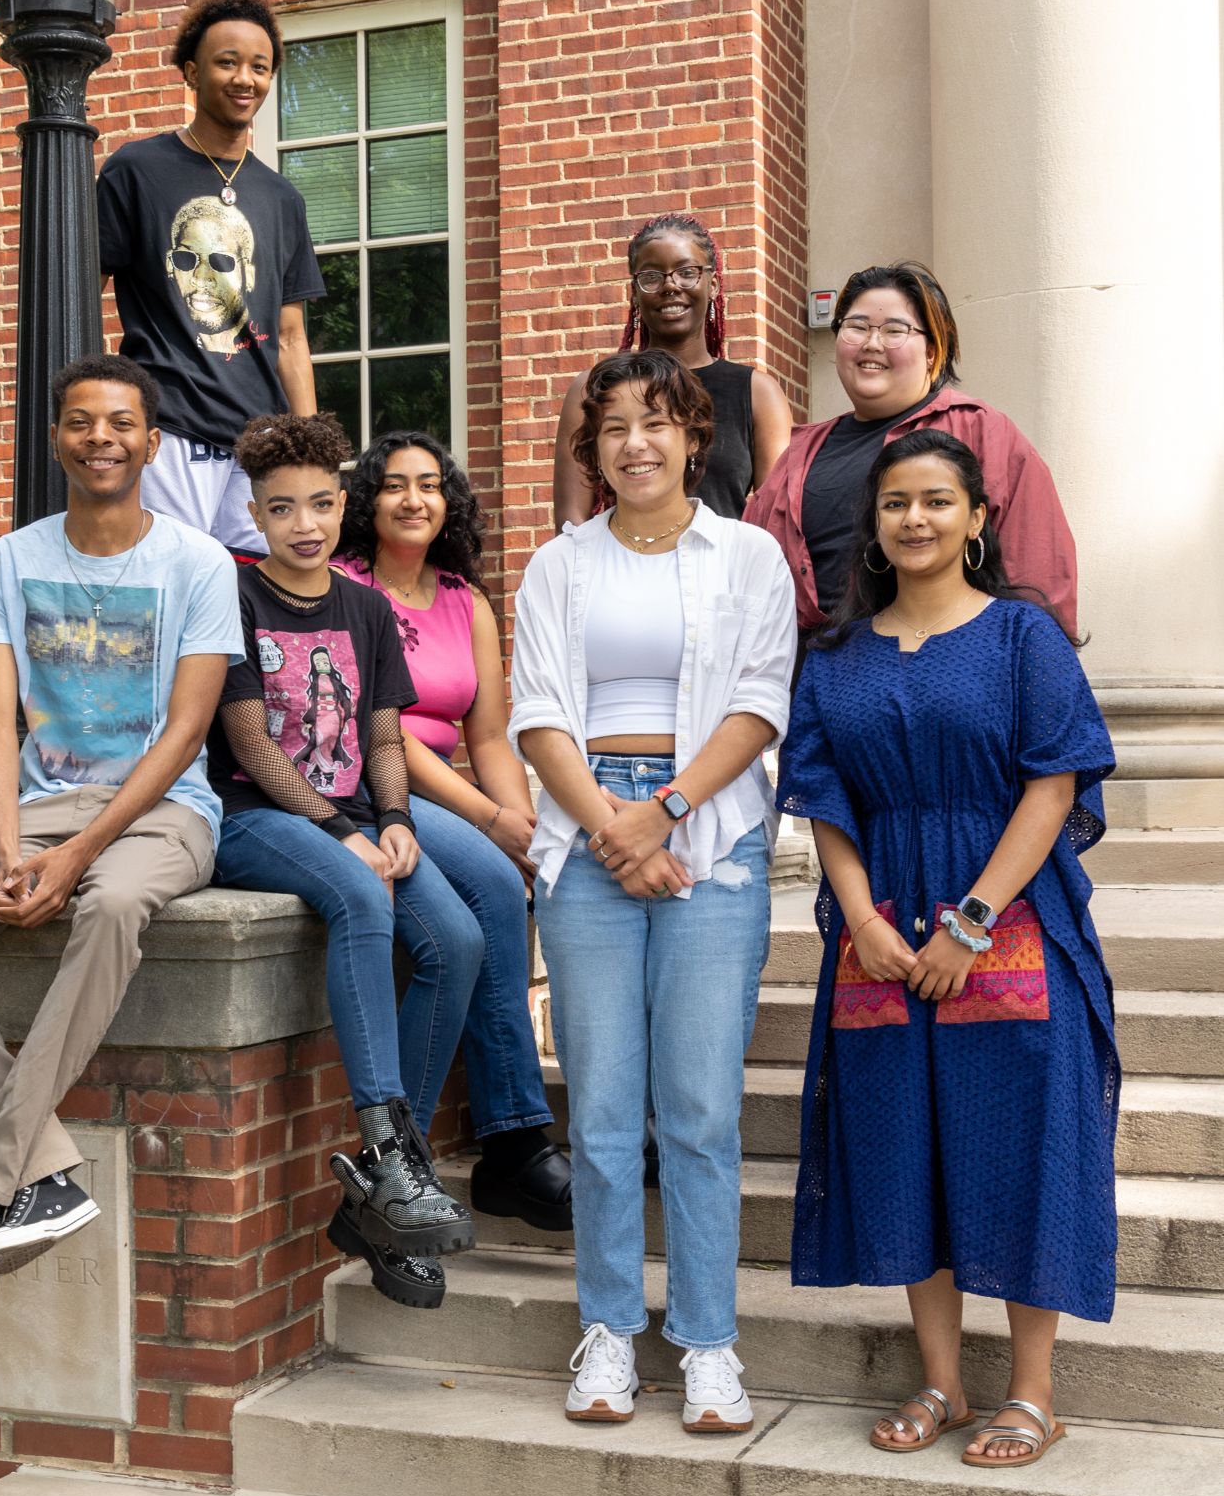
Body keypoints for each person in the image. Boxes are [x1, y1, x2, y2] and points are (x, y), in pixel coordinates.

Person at [777, 428, 1117, 1468]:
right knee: (904, 1147)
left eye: (935, 500)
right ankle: (940, 1378)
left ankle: (1031, 1392)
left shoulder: (1024, 637)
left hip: (1008, 920)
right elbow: (825, 801)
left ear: (976, 517)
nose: (913, 519)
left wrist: (969, 922)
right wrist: (865, 925)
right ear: (872, 526)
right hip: (878, 938)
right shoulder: (835, 658)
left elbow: (1052, 785)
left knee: (1017, 1147)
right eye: (894, 504)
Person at [0, 356, 242, 1316]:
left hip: (163, 810)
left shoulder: (198, 564)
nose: (101, 439)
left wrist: (75, 859)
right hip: (32, 806)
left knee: (114, 902)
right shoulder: (7, 561)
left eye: (120, 424)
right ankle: (41, 1172)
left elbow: (185, 732)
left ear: (150, 443)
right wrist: (8, 850)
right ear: (57, 440)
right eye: (81, 422)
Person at [512, 350, 796, 1433]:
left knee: (700, 1109)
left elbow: (760, 702)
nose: (634, 441)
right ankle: (607, 1331)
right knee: (597, 1115)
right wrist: (610, 827)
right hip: (586, 839)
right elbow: (538, 709)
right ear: (595, 448)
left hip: (708, 839)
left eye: (656, 421)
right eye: (614, 425)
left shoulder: (748, 556)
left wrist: (661, 813)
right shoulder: (559, 564)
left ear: (694, 437)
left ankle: (709, 1343)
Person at [208, 411, 481, 1312]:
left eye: (321, 504)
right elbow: (249, 742)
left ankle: (375, 1184)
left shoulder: (364, 607)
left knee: (457, 941)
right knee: (364, 901)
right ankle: (396, 1156)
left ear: (340, 505)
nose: (304, 524)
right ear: (254, 512)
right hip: (255, 820)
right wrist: (342, 831)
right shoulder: (234, 598)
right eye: (282, 508)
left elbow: (383, 735)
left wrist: (396, 816)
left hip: (358, 815)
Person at [338, 430, 572, 1232]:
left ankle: (499, 1142)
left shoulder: (464, 601)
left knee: (506, 882)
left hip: (443, 793)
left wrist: (524, 825)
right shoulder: (345, 587)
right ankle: (512, 1139)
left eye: (430, 485)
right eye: (395, 484)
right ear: (367, 501)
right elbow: (386, 731)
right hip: (370, 785)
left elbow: (489, 737)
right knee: (493, 891)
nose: (414, 499)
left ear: (449, 501)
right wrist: (488, 819)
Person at [97, 0, 324, 556]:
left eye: (260, 66)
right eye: (227, 62)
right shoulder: (137, 171)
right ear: (192, 71)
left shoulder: (281, 198)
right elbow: (81, 294)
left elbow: (291, 338)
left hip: (263, 440)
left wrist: (311, 448)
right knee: (174, 585)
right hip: (173, 429)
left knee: (269, 595)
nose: (244, 78)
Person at [745, 261, 1078, 643]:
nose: (872, 343)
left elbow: (1038, 571)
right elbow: (750, 574)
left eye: (894, 330)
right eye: (856, 327)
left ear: (933, 352)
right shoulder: (799, 454)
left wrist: (1031, 666)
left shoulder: (980, 430)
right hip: (811, 677)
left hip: (940, 670)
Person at [553, 212, 793, 526]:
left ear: (714, 285)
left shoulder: (757, 392)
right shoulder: (594, 388)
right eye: (652, 276)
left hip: (721, 572)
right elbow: (571, 523)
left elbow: (777, 521)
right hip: (621, 569)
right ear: (635, 294)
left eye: (687, 272)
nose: (671, 286)